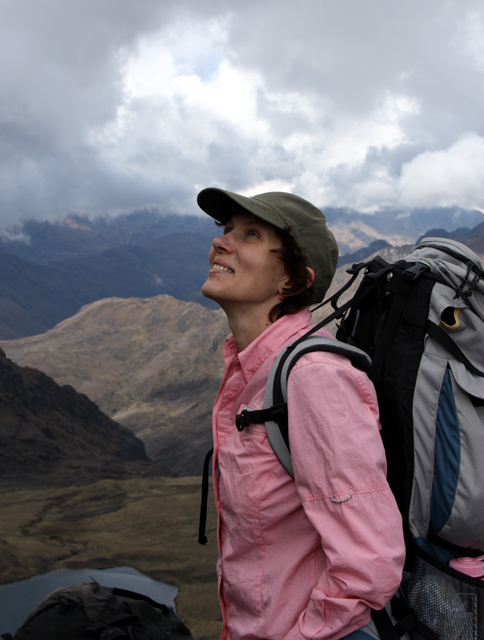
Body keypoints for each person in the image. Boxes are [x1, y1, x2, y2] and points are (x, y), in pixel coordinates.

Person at [197, 187, 405, 640]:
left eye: (251, 235)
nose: (220, 241)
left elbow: (369, 562)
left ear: (292, 282)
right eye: (227, 229)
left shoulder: (314, 377)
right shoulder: (250, 368)